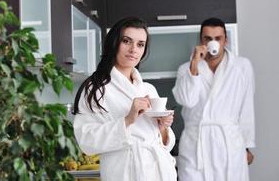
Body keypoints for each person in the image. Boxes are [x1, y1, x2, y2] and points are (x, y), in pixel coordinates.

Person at [73, 17, 177, 181]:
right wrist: (128, 119)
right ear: (114, 43)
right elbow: (86, 141)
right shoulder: (95, 89)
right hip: (125, 173)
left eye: (140, 44)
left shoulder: (148, 89)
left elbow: (163, 143)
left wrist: (163, 127)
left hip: (159, 173)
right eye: (127, 41)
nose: (133, 49)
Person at [172, 17, 255, 181]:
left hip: (229, 142)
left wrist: (246, 145)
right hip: (196, 144)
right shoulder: (185, 69)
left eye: (218, 38)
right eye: (208, 38)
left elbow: (247, 108)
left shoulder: (241, 67)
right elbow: (187, 100)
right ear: (201, 40)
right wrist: (194, 65)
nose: (213, 42)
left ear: (226, 40)